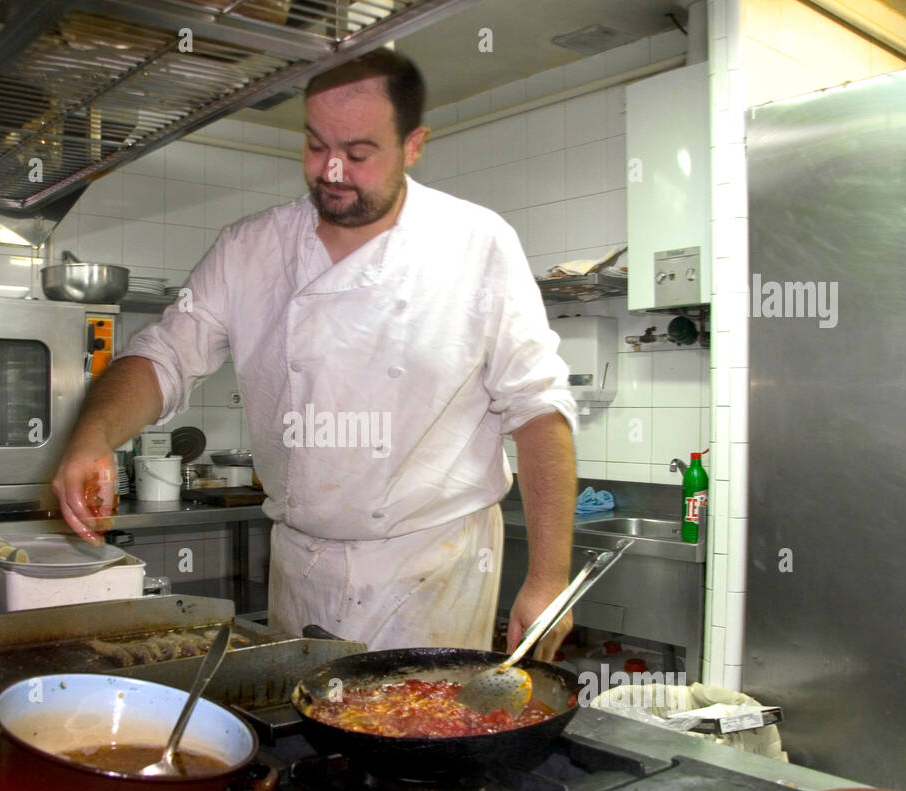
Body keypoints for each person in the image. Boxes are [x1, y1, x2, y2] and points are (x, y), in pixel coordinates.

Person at [52, 49, 578, 659]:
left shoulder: (477, 245)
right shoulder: (250, 250)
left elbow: (540, 411)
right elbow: (162, 356)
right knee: (302, 738)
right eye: (314, 145)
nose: (332, 170)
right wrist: (93, 435)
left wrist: (547, 580)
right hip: (301, 564)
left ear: (413, 145)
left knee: (413, 742)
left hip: (432, 568)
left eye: (358, 154)